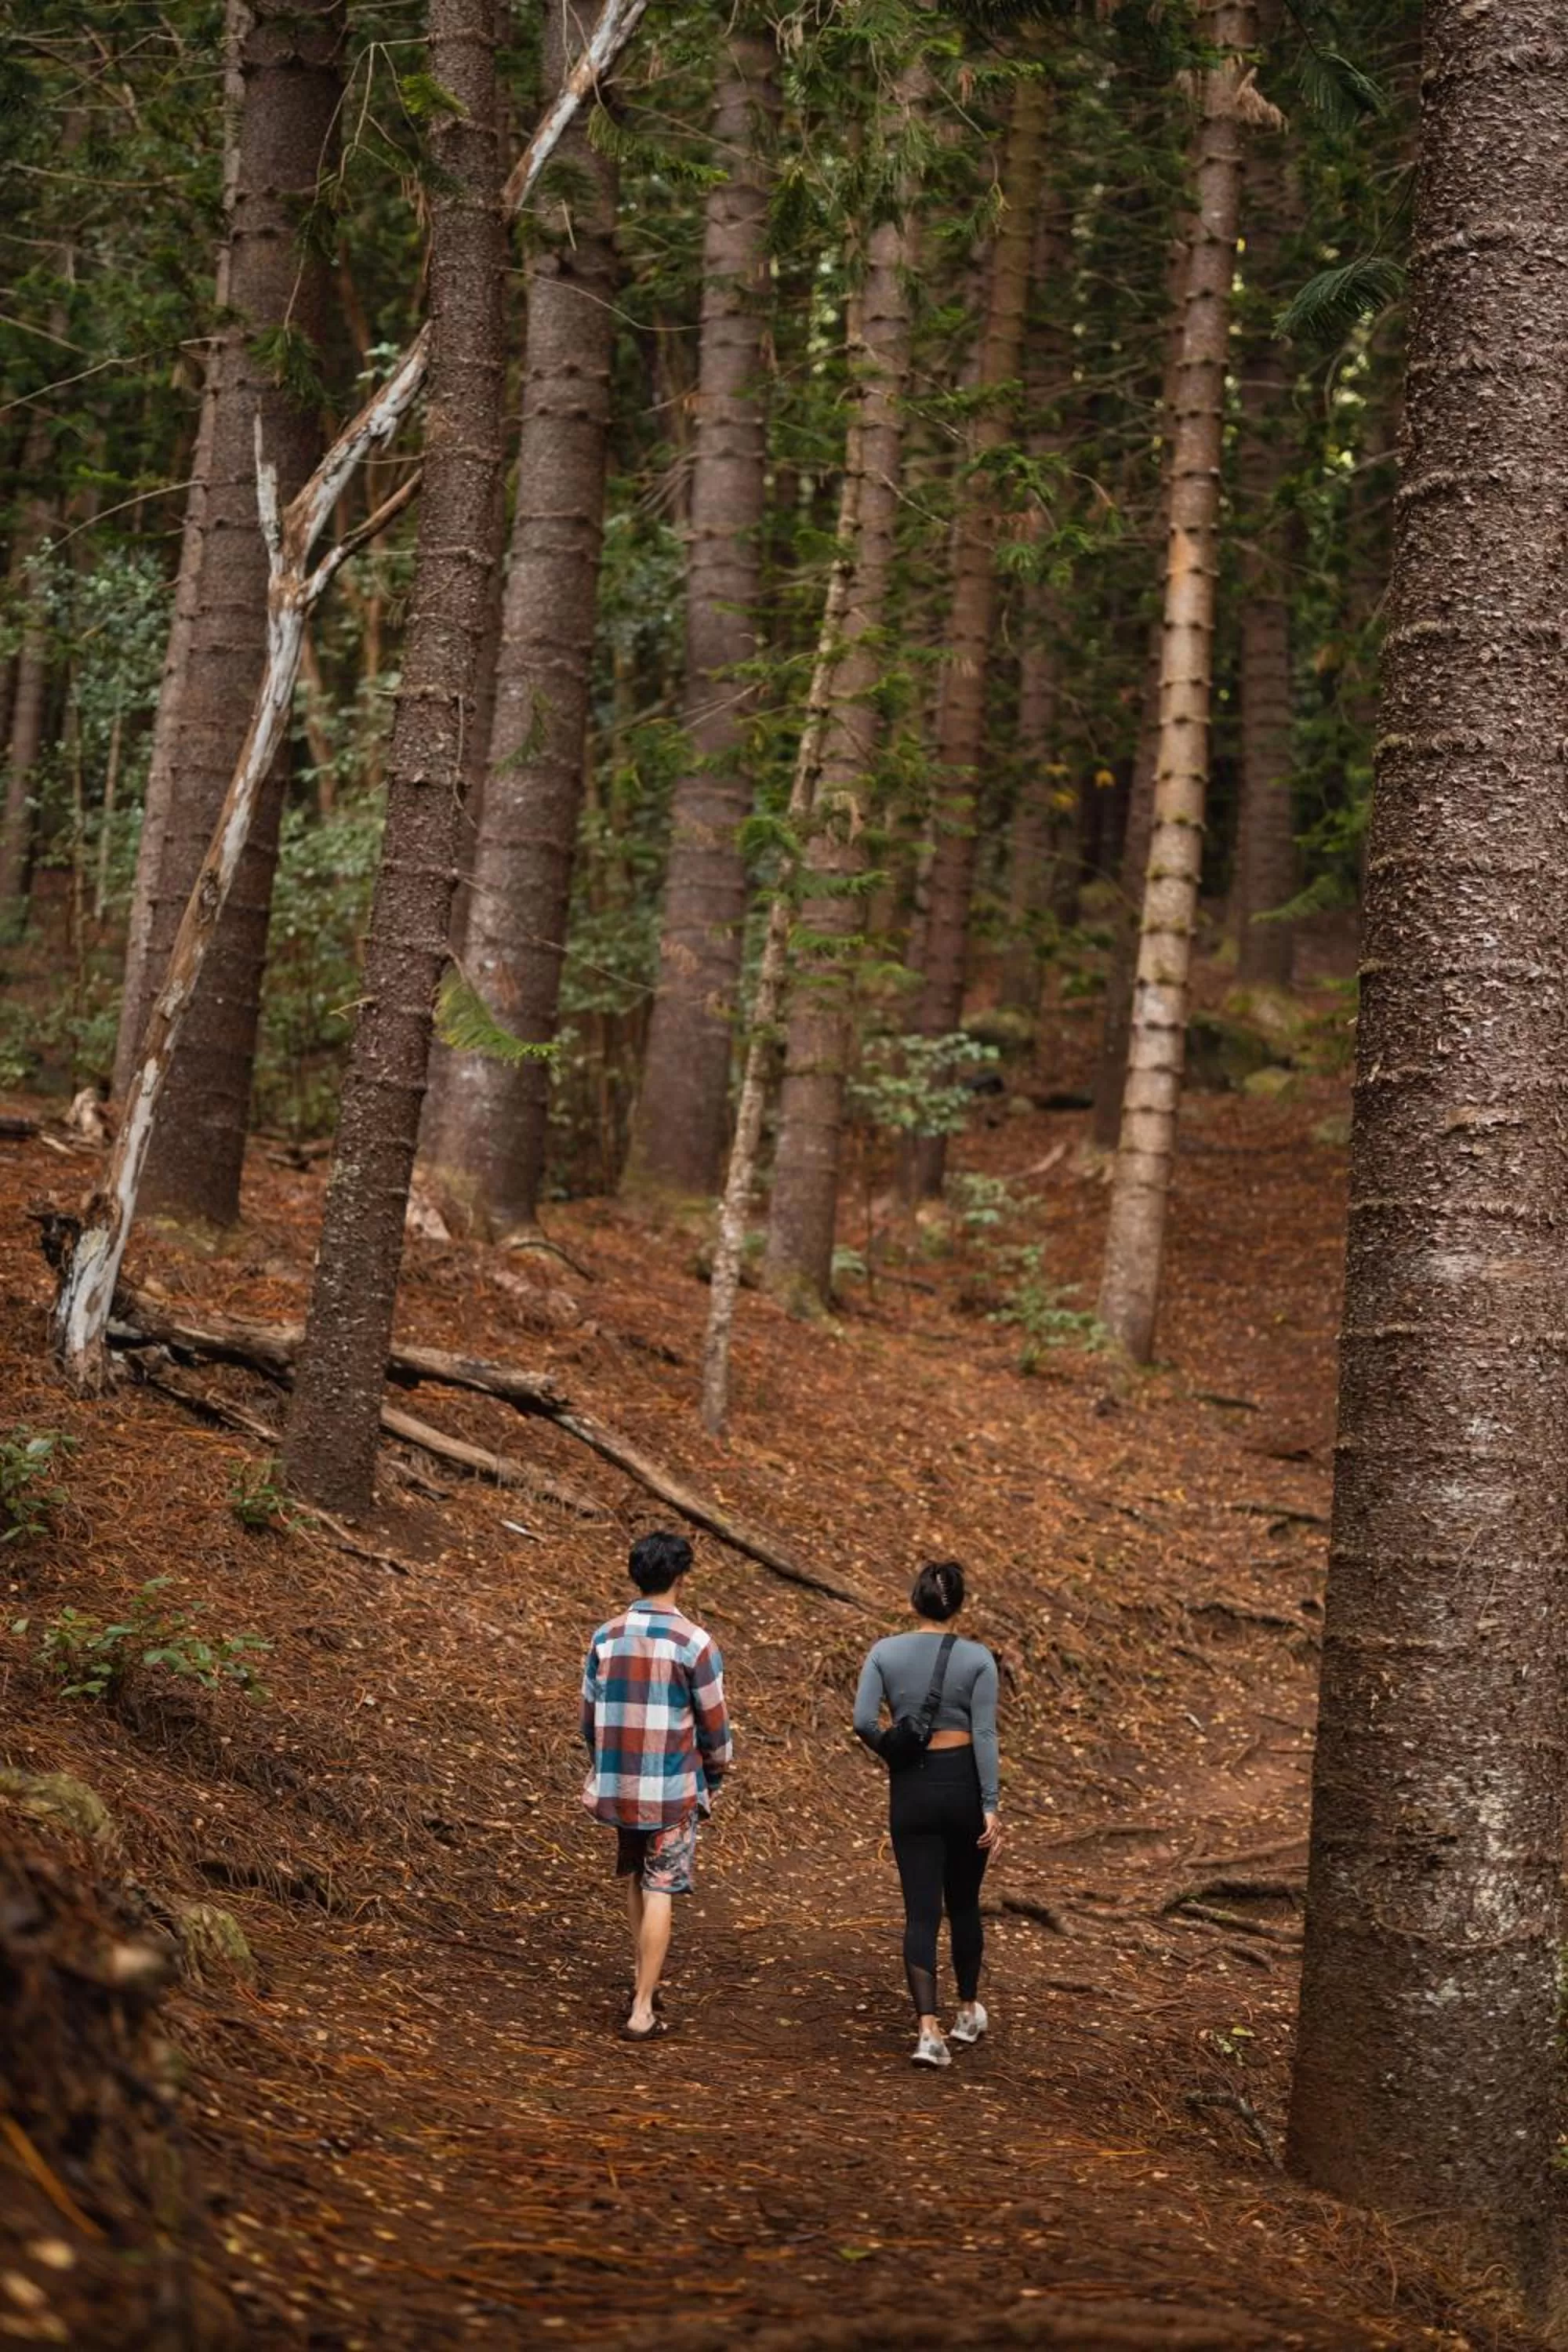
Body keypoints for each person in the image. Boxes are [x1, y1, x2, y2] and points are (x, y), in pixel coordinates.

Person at [580, 1528, 732, 2040]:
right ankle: (643, 2007)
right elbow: (715, 1724)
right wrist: (713, 1774)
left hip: (619, 1783)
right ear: (681, 1578)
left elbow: (588, 1715)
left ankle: (641, 1978)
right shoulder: (695, 1642)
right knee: (660, 1885)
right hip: (671, 1787)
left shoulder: (606, 1636)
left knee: (636, 1879)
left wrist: (602, 1765)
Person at [853, 1559, 1001, 2067]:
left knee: (920, 1911)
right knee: (963, 1903)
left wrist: (894, 1748)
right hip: (963, 1786)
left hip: (911, 1787)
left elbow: (862, 1721)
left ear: (914, 1599)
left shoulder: (883, 1653)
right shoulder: (979, 1658)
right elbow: (984, 1734)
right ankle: (967, 2011)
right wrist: (990, 1804)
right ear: (958, 1604)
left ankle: (927, 2033)